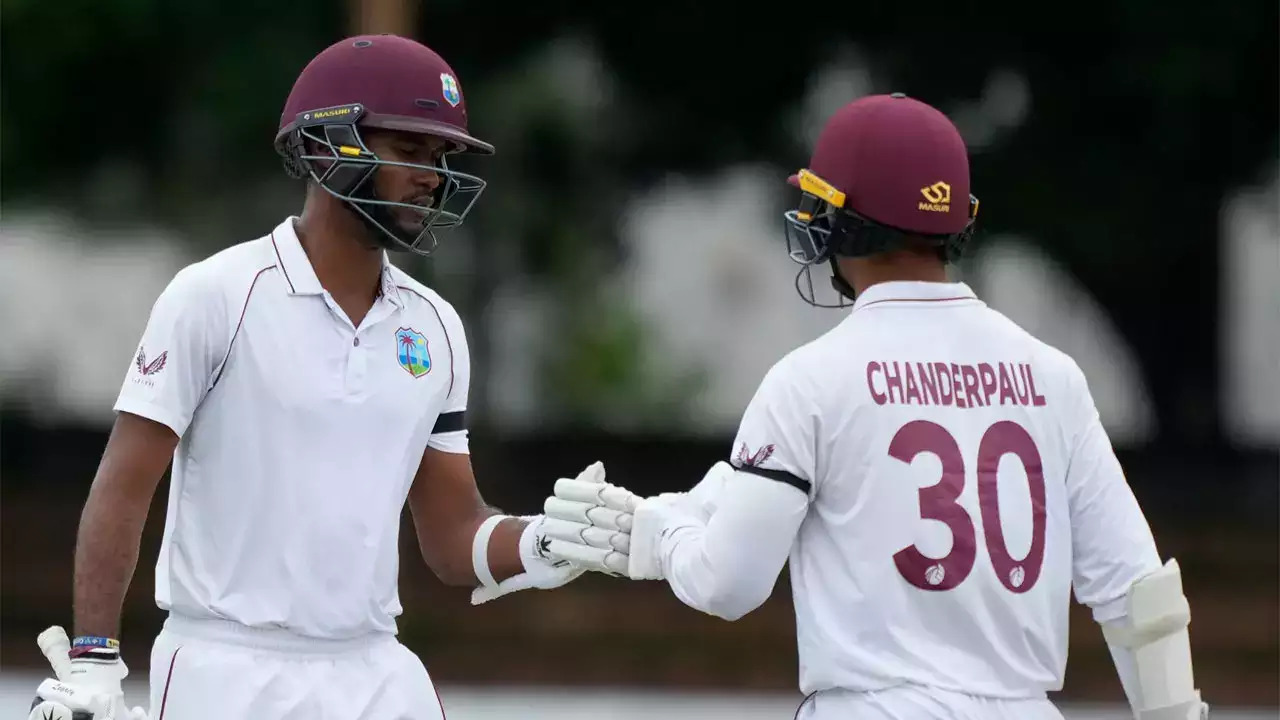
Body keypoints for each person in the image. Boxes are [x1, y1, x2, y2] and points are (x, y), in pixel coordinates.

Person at [539, 93, 1210, 720]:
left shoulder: (809, 380)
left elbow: (728, 584)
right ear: (960, 222)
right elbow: (1139, 596)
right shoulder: (1052, 376)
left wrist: (660, 534)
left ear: (841, 221)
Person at [28, 34, 598, 720]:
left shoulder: (437, 328)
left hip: (376, 667)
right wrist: (93, 665)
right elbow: (122, 490)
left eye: (441, 159)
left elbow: (452, 536)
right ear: (330, 145)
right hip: (228, 667)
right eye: (411, 151)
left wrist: (545, 542)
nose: (433, 177)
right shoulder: (217, 296)